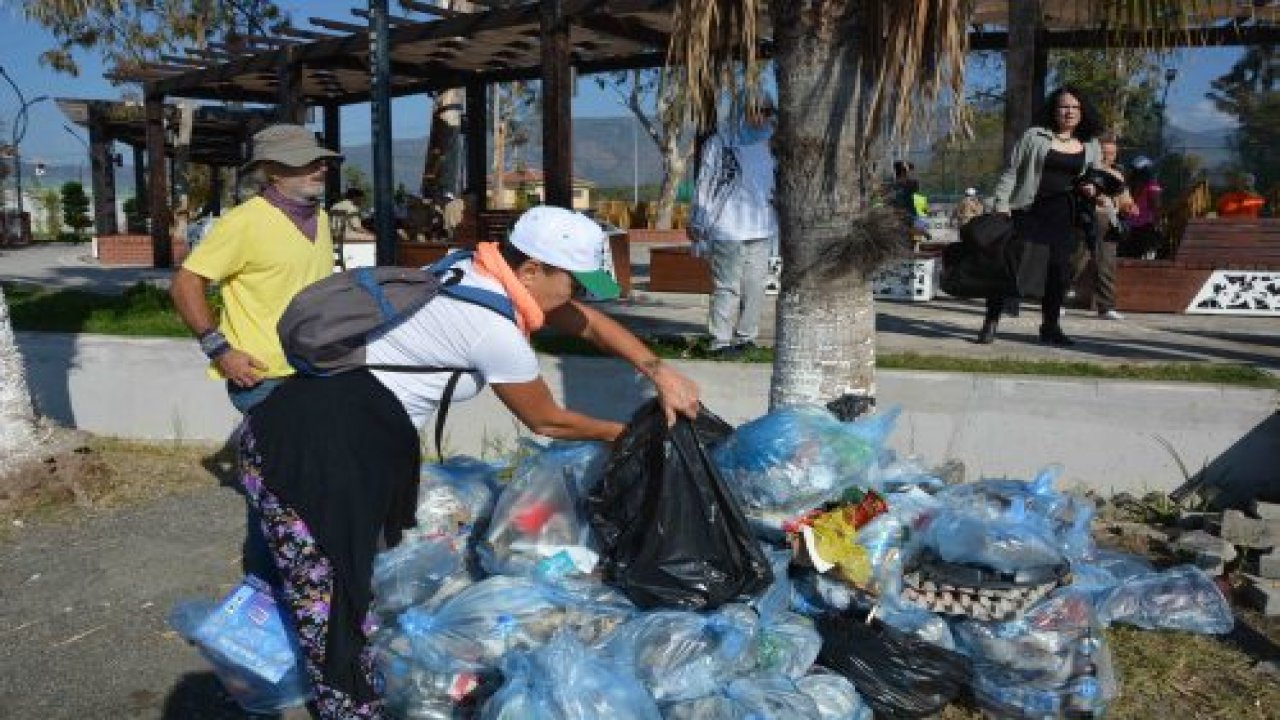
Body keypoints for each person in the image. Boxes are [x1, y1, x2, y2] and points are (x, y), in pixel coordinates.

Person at [238, 205, 702, 717]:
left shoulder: (469, 270)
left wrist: (659, 371)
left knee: (328, 594)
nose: (580, 293)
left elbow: (585, 323)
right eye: (574, 280)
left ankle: (308, 683)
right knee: (333, 611)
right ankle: (340, 704)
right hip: (317, 455)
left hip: (302, 429)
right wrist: (636, 434)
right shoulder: (492, 328)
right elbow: (548, 421)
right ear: (531, 270)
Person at [170, 123, 340, 587]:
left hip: (316, 373)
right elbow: (185, 284)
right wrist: (219, 349)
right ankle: (263, 587)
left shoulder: (320, 218)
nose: (320, 167)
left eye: (319, 159)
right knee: (276, 490)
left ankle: (302, 585)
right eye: (306, 161)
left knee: (311, 483)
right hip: (261, 379)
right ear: (271, 171)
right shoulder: (242, 223)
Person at [981, 86, 1103, 346]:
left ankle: (1050, 326)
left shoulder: (1091, 144)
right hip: (1028, 210)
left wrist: (1093, 187)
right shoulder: (1034, 136)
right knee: (1010, 266)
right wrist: (1001, 202)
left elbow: (1095, 176)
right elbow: (1012, 171)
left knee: (1058, 273)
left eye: (1074, 107)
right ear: (1054, 110)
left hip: (1065, 214)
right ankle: (991, 321)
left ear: (1082, 112)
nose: (1069, 112)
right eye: (1063, 106)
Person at [689, 95, 778, 358]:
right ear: (742, 110)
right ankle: (720, 341)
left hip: (762, 227)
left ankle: (746, 338)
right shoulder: (721, 143)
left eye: (766, 111)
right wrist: (697, 219)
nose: (761, 116)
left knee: (755, 286)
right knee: (727, 286)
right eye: (756, 110)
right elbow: (705, 181)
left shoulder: (771, 143)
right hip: (727, 227)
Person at [1074, 132, 1136, 320]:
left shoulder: (1118, 174)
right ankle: (1056, 300)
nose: (1108, 156)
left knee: (1107, 263)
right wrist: (1092, 195)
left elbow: (1125, 199)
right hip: (1085, 218)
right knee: (1076, 261)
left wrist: (1129, 206)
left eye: (1112, 153)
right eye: (1104, 152)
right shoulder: (1085, 169)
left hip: (1109, 221)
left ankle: (1106, 306)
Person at [1120, 156, 1163, 258]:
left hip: (1129, 225)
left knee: (1129, 257)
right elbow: (1156, 205)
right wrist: (1159, 222)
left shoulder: (1129, 184)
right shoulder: (1152, 184)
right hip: (1146, 226)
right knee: (1145, 259)